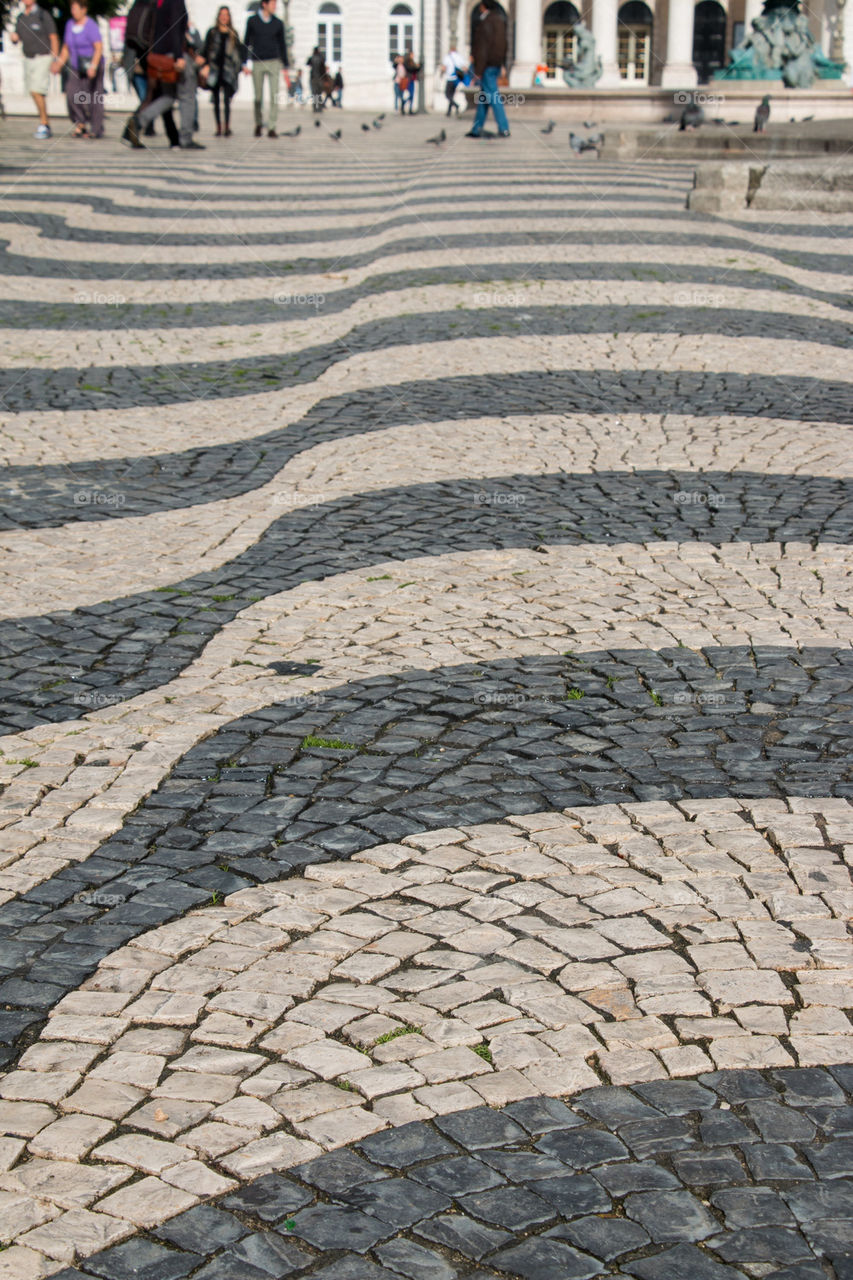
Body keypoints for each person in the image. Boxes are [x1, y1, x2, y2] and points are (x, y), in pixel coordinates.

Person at [123, 0, 187, 148]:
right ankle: (136, 125)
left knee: (157, 95)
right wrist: (179, 56)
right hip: (165, 56)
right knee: (166, 96)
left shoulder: (156, 2)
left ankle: (174, 138)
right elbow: (175, 29)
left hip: (151, 53)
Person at [53, 0, 104, 138]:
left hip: (92, 64)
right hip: (76, 66)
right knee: (71, 94)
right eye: (72, 8)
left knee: (94, 98)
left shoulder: (91, 25)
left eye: (75, 8)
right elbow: (66, 48)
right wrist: (58, 63)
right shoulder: (70, 24)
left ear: (84, 9)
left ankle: (96, 129)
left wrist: (93, 66)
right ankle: (80, 123)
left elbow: (98, 47)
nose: (73, 11)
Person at [10, 0, 59, 139]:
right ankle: (44, 121)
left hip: (42, 57)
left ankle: (44, 124)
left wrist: (55, 60)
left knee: (36, 90)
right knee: (34, 92)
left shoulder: (43, 15)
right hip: (28, 58)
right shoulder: (21, 17)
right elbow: (17, 37)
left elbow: (53, 37)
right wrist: (14, 38)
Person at [244, 0, 288, 138]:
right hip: (257, 61)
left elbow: (283, 45)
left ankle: (272, 127)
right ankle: (258, 123)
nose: (275, 6)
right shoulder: (252, 21)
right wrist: (245, 63)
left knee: (274, 95)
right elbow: (246, 41)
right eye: (273, 4)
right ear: (264, 4)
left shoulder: (278, 23)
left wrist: (285, 66)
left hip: (274, 61)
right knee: (258, 97)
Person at [467, 0, 509, 138]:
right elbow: (504, 45)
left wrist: (478, 71)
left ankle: (504, 128)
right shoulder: (500, 21)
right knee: (484, 98)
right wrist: (502, 63)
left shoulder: (485, 23)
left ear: (483, 7)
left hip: (487, 66)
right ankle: (476, 128)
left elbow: (482, 50)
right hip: (495, 63)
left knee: (493, 96)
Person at [202, 6, 245, 137]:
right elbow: (206, 50)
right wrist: (205, 65)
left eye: (226, 15)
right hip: (215, 69)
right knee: (215, 100)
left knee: (226, 100)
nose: (224, 17)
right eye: (222, 14)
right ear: (218, 16)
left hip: (228, 70)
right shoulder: (212, 32)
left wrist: (241, 66)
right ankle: (218, 127)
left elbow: (239, 51)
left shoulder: (233, 33)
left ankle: (227, 126)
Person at [441, 43, 465, 116]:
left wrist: (441, 73)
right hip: (456, 79)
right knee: (452, 95)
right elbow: (464, 68)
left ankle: (456, 105)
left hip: (450, 78)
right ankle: (449, 111)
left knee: (447, 95)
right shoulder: (459, 57)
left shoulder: (448, 57)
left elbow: (444, 67)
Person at [307, 45, 325, 112]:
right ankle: (319, 108)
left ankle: (315, 108)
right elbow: (323, 68)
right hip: (320, 78)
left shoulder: (312, 58)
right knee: (319, 94)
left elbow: (307, 63)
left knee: (314, 94)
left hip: (313, 78)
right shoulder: (321, 58)